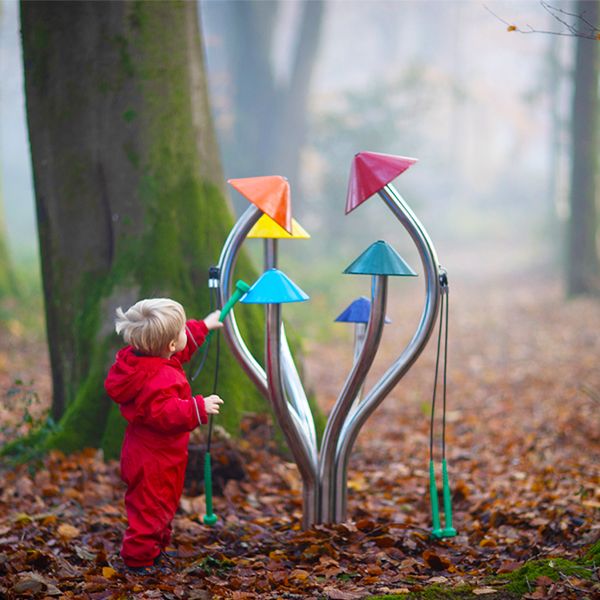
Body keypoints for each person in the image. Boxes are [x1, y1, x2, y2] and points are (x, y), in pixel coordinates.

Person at [104, 298, 224, 573]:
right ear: (169, 344)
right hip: (153, 459)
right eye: (182, 330)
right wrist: (197, 407)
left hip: (156, 454)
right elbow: (164, 413)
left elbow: (178, 350)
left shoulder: (145, 361)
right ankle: (138, 561)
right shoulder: (158, 377)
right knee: (150, 509)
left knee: (163, 504)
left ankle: (155, 550)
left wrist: (203, 326)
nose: (185, 333)